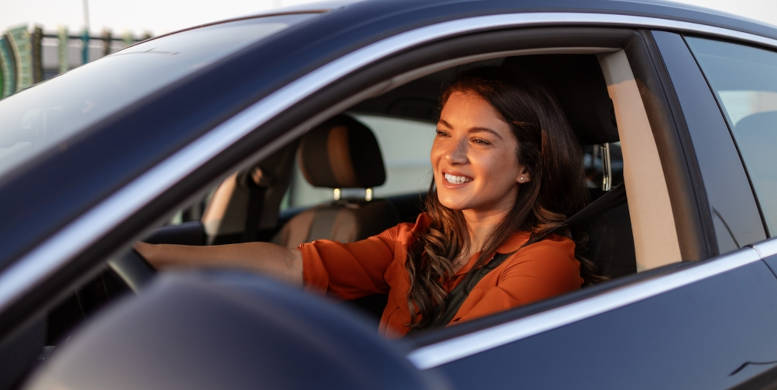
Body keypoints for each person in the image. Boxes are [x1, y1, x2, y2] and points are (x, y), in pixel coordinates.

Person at [135, 66, 588, 337]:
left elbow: (457, 364)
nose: (451, 155)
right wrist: (154, 255)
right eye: (444, 133)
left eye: (480, 141)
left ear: (527, 166)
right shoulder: (418, 238)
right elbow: (294, 266)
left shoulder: (545, 262)